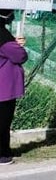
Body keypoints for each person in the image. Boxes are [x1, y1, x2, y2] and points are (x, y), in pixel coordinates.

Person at [0, 9, 27, 165]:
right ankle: (2, 153)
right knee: (3, 121)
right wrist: (18, 46)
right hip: (4, 87)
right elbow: (20, 56)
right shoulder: (3, 36)